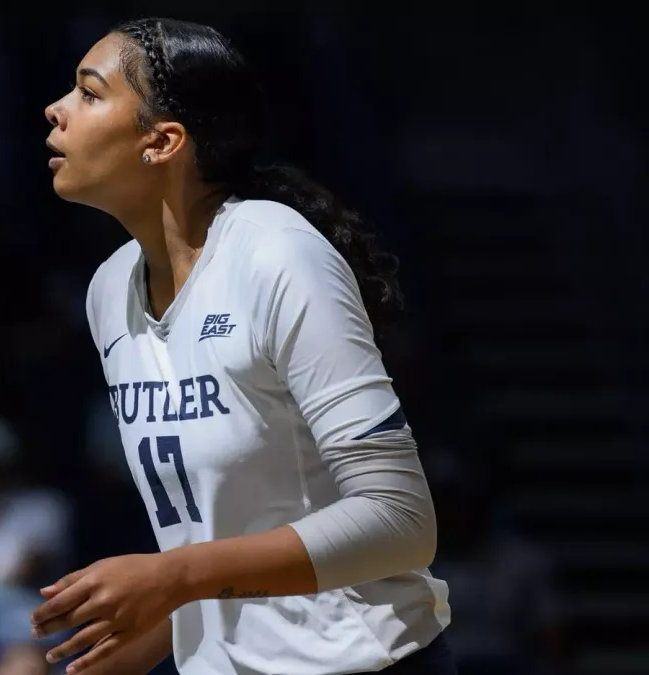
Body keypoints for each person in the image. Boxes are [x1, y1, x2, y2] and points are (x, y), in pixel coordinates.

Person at [31, 18, 455, 675]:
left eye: (89, 94)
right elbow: (225, 529)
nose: (55, 110)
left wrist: (175, 575)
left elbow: (399, 519)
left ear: (161, 141)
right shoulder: (108, 290)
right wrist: (148, 636)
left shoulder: (276, 254)